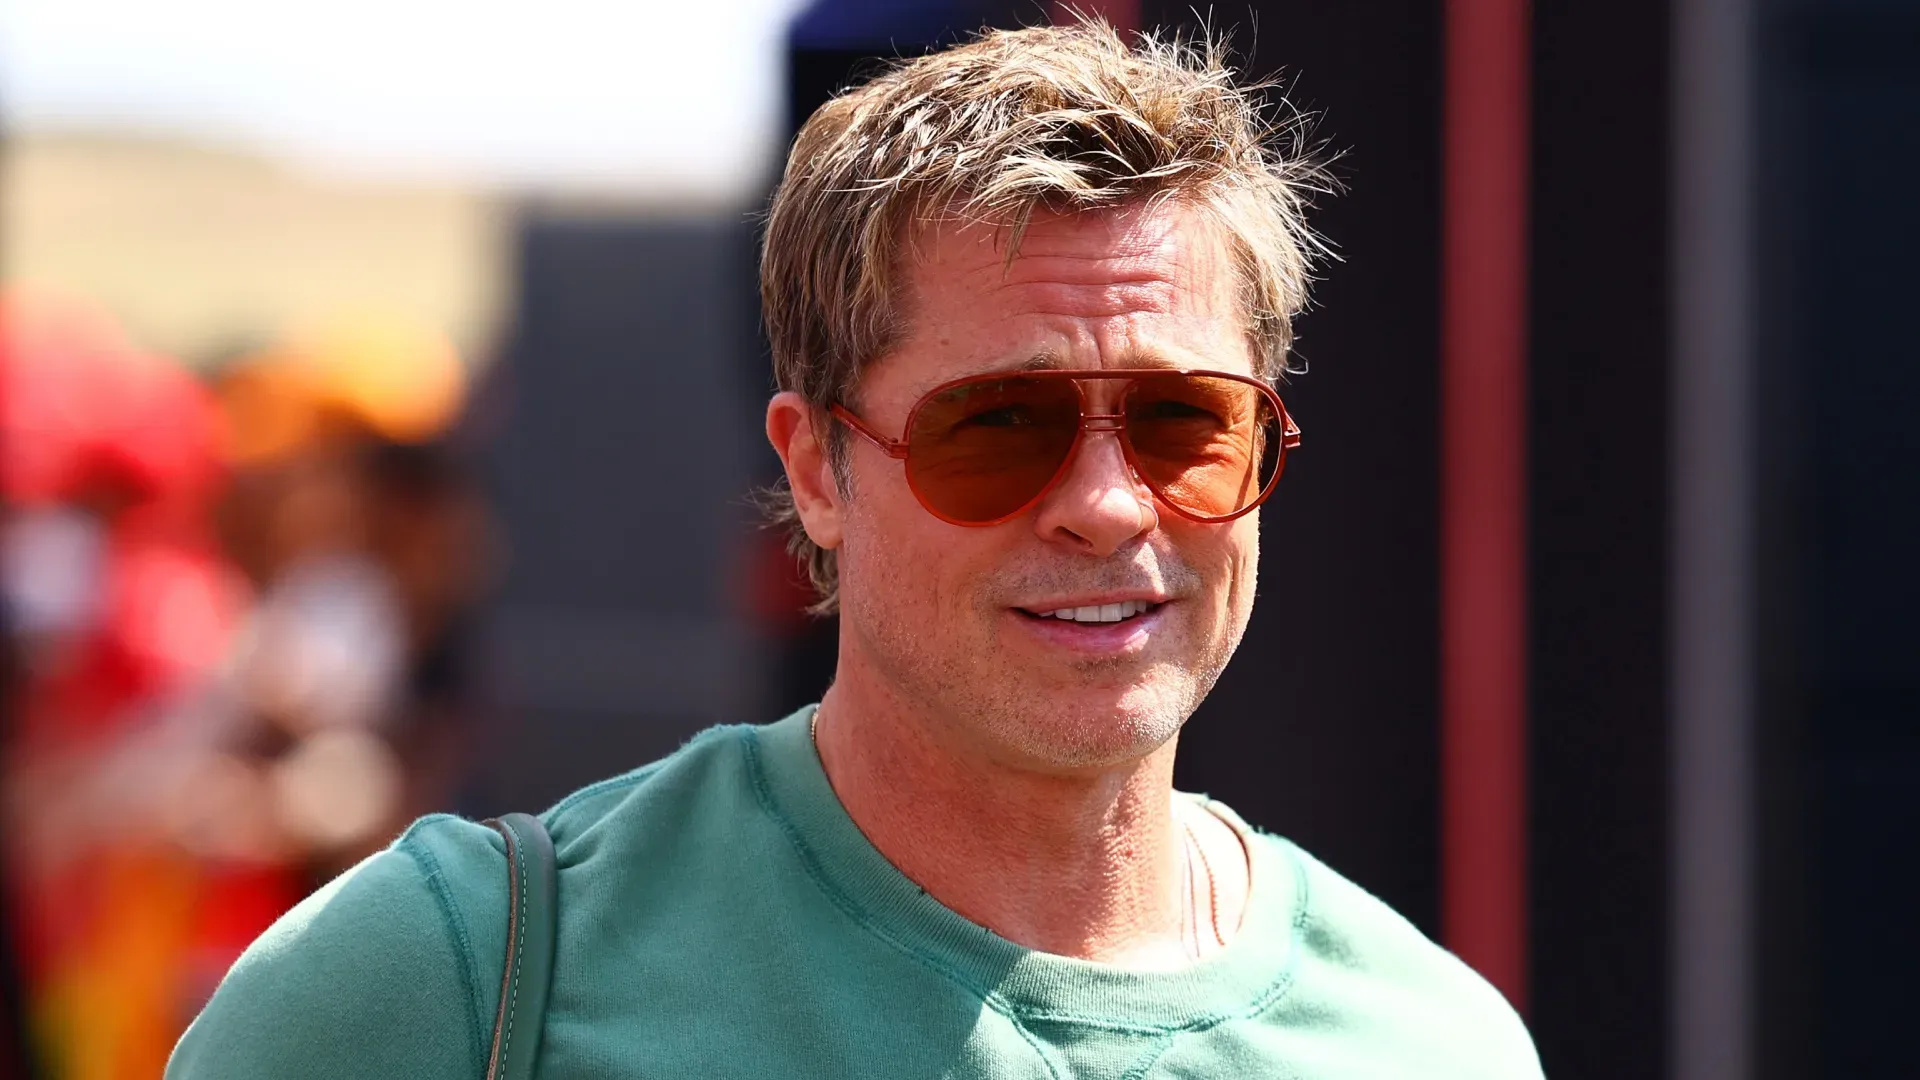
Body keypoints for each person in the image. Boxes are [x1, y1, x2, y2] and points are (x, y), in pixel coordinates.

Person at [167, 21, 1542, 1078]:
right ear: (816, 467)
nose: (1111, 505)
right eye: (999, 425)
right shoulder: (458, 983)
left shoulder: (1431, 1041)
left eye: (1188, 423)